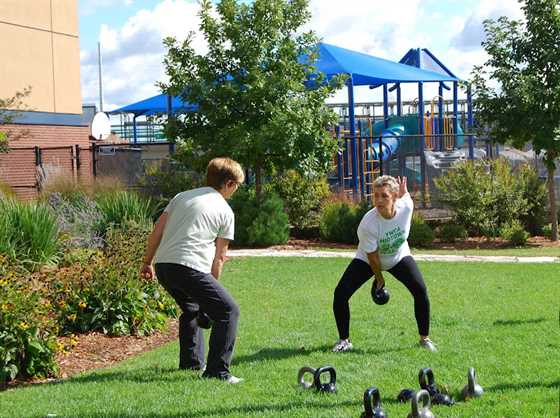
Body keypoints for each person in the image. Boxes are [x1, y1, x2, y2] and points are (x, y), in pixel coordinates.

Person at [140, 157, 245, 384]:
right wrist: (213, 290)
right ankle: (218, 371)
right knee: (228, 311)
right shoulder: (225, 211)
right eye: (236, 185)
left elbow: (157, 230)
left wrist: (147, 262)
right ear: (228, 183)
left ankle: (191, 363)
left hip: (165, 265)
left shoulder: (182, 197)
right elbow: (219, 258)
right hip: (189, 267)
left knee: (191, 308)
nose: (236, 190)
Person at [332, 175, 437, 353]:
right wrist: (379, 280)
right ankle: (344, 341)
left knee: (420, 290)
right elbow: (373, 258)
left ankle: (424, 339)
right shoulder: (368, 224)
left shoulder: (406, 207)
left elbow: (407, 197)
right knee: (340, 294)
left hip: (399, 256)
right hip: (367, 260)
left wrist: (404, 192)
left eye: (384, 196)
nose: (379, 200)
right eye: (376, 195)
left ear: (394, 197)